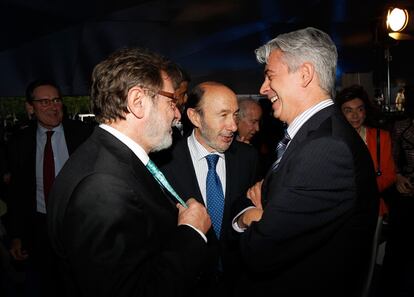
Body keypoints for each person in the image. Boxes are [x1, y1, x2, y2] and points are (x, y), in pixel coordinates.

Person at [47, 48, 211, 297]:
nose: (177, 114)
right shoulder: (103, 185)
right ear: (137, 102)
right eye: (171, 101)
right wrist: (191, 232)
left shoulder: (109, 158)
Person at [234, 27, 379, 297]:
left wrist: (252, 218)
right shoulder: (315, 135)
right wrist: (264, 213)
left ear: (305, 74)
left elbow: (261, 251)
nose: (263, 88)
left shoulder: (326, 149)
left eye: (270, 76)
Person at [160, 81, 259, 296]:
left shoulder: (247, 157)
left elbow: (245, 205)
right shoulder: (164, 162)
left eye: (234, 115)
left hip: (237, 281)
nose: (233, 126)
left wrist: (245, 218)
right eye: (223, 115)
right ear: (195, 117)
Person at [6, 79, 92, 297]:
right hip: (39, 228)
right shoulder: (19, 142)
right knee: (48, 285)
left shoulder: (85, 135)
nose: (53, 106)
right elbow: (17, 193)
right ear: (30, 107)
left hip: (80, 224)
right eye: (44, 102)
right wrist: (16, 235)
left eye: (56, 100)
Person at [336, 84, 396, 216]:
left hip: (372, 208)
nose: (355, 115)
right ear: (340, 114)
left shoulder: (381, 137)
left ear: (365, 111)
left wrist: (361, 190)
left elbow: (389, 175)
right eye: (348, 110)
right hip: (342, 212)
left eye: (359, 109)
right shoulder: (332, 141)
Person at [379, 85, 414, 297]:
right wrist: (399, 177)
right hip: (406, 190)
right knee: (400, 248)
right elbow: (391, 161)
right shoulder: (401, 126)